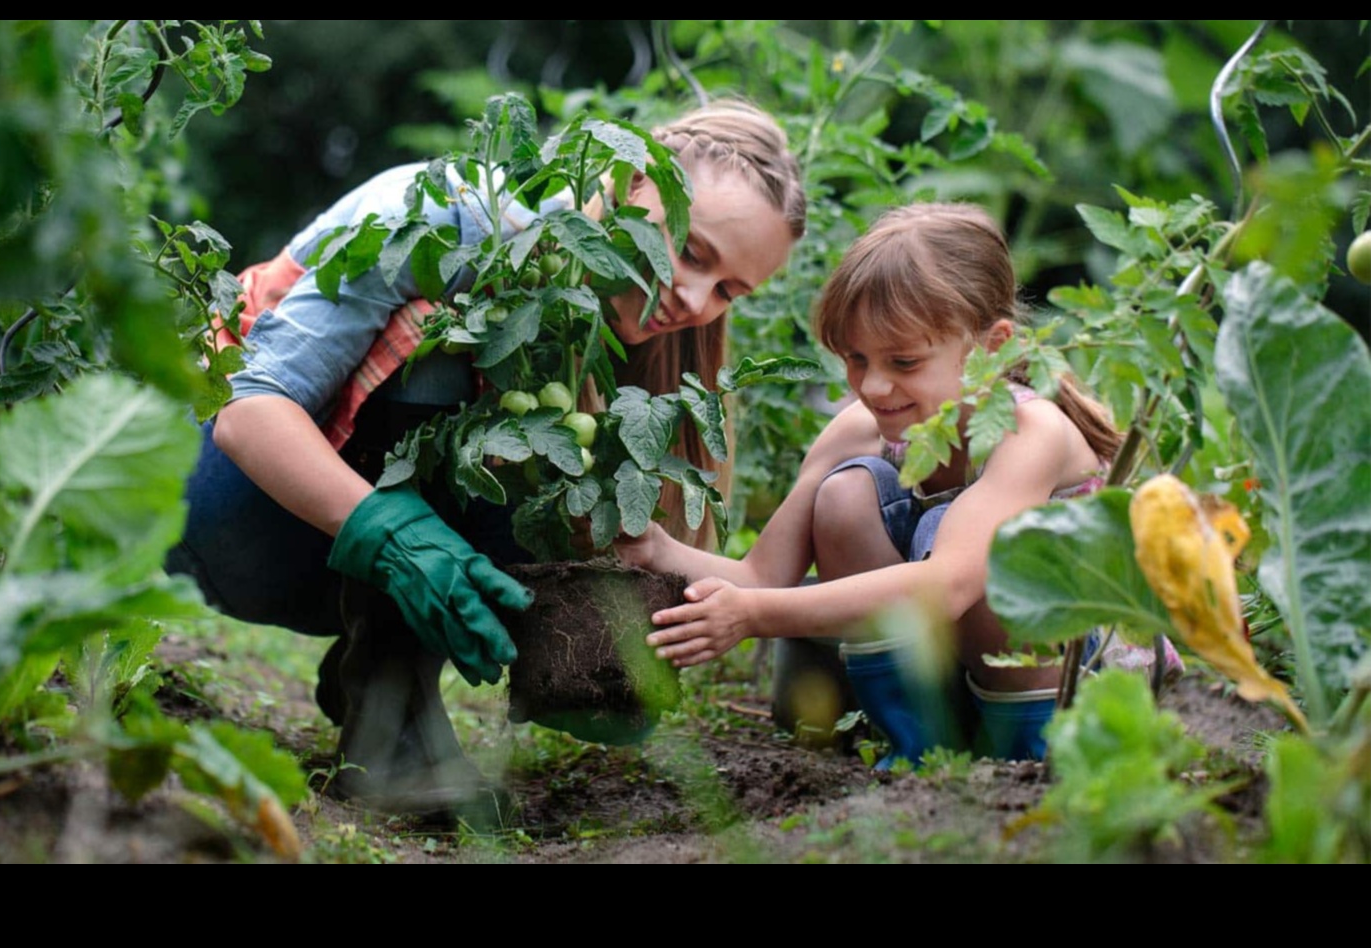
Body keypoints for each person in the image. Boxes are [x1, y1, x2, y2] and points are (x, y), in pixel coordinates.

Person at [165, 100, 806, 815]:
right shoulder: (453, 220)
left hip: (328, 556)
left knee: (542, 436)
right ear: (630, 182)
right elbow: (248, 414)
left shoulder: (626, 329)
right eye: (689, 252)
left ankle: (376, 686)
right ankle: (394, 734)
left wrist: (596, 633)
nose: (693, 297)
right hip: (212, 505)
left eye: (729, 291)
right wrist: (392, 534)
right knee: (449, 334)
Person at [617, 202, 1148, 767]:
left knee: (986, 549)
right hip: (959, 677)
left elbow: (947, 585)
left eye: (904, 361)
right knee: (845, 496)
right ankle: (919, 747)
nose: (873, 385)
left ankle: (1028, 755)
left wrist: (752, 615)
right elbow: (762, 575)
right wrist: (655, 549)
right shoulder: (862, 427)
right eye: (855, 358)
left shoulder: (1029, 430)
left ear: (991, 347)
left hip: (1077, 688)